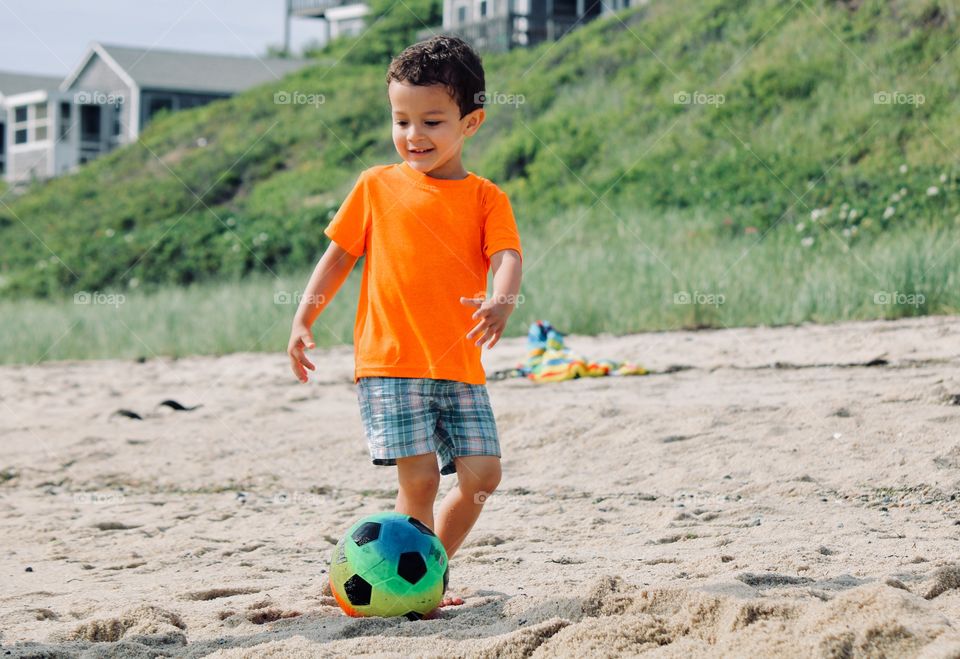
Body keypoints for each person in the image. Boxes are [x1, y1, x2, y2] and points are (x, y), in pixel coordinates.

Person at [287, 34, 523, 611]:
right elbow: (340, 255)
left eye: (432, 121)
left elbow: (507, 256)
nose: (414, 136)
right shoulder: (376, 185)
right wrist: (302, 318)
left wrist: (502, 300)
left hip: (459, 365)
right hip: (390, 361)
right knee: (418, 481)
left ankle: (410, 569)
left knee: (483, 477)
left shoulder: (486, 197)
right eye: (401, 120)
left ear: (471, 123)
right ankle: (418, 586)